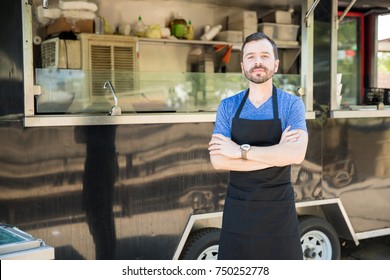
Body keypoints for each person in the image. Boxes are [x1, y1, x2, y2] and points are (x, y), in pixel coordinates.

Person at [208, 32, 308, 260]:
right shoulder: (228, 106)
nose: (258, 62)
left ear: (276, 63)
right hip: (239, 210)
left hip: (278, 211)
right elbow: (219, 160)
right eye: (251, 57)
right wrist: (277, 154)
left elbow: (297, 154)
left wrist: (240, 151)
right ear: (243, 65)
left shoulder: (291, 104)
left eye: (264, 55)